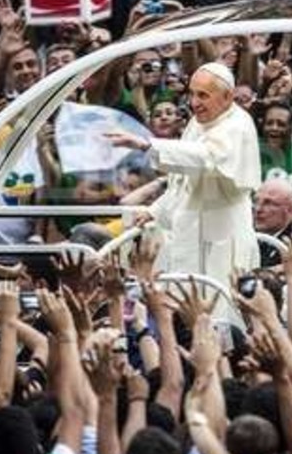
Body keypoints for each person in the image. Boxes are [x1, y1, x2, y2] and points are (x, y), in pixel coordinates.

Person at [106, 62, 261, 293]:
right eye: (192, 94)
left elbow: (205, 159)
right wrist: (154, 211)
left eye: (203, 95)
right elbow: (184, 183)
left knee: (221, 308)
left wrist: (148, 145)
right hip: (192, 233)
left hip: (224, 238)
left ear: (227, 96)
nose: (194, 103)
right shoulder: (199, 122)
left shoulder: (237, 125)